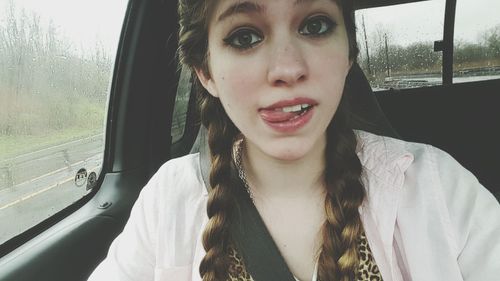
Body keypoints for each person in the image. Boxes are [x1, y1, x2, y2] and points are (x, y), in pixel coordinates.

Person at [88, 0, 500, 280]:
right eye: (245, 37)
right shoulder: (167, 201)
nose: (287, 68)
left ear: (349, 54)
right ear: (206, 72)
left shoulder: (437, 188)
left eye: (315, 25)